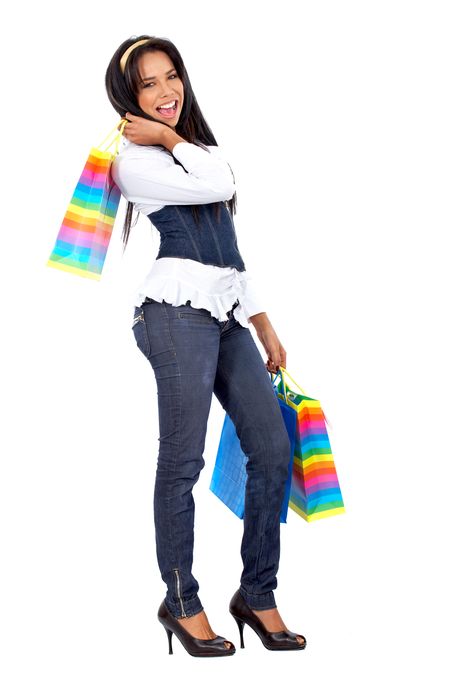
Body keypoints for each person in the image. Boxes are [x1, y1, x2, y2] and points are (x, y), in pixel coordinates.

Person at [105, 35, 307, 658]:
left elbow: (227, 241)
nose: (166, 93)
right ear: (128, 98)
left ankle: (257, 592)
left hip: (223, 315)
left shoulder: (194, 153)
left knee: (272, 446)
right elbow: (219, 179)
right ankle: (181, 599)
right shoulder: (132, 160)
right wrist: (166, 140)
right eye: (148, 84)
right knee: (182, 460)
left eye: (172, 77)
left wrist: (263, 321)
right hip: (171, 315)